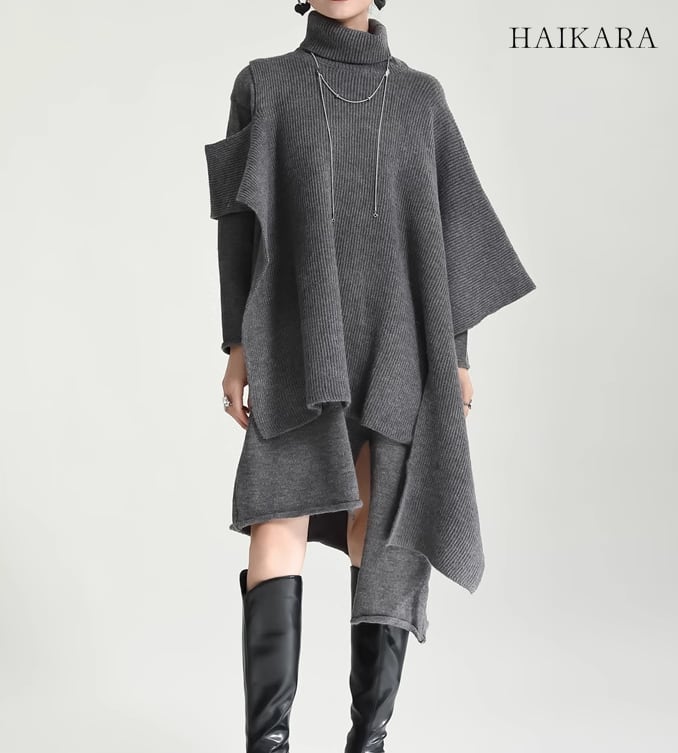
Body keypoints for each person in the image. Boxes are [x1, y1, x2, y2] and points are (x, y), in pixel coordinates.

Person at [203, 2, 536, 751]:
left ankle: (369, 740)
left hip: (398, 347)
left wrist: (456, 355)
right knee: (275, 523)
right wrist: (237, 345)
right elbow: (237, 227)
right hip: (297, 342)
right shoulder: (262, 85)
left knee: (377, 534)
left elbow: (447, 233)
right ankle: (268, 744)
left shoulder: (422, 98)